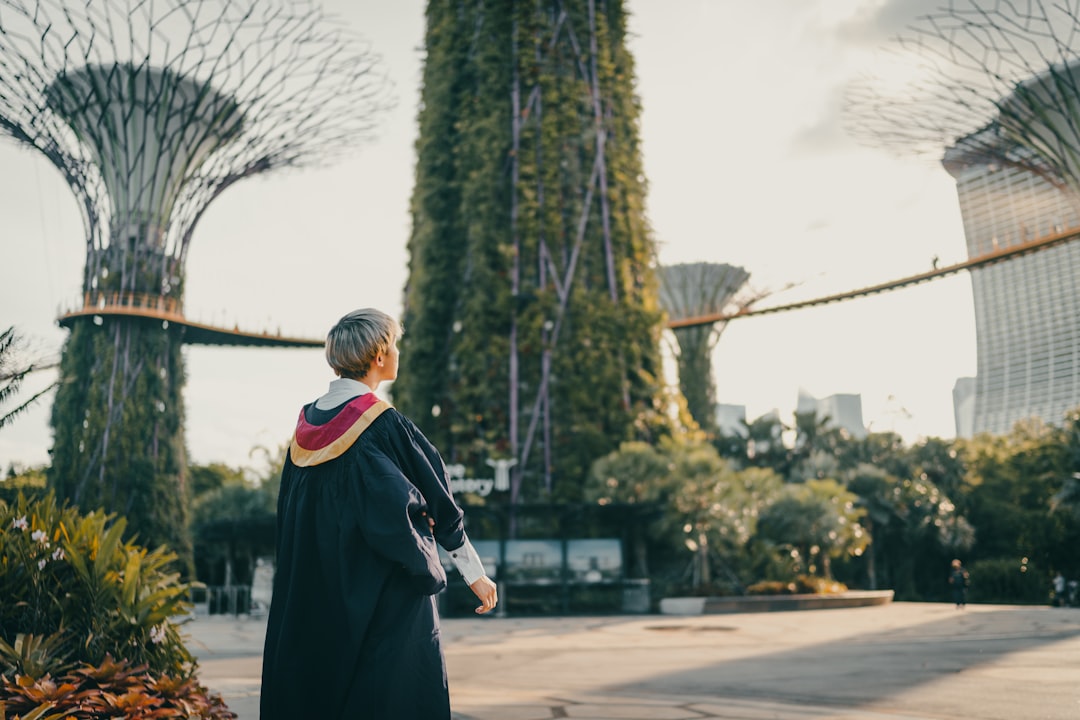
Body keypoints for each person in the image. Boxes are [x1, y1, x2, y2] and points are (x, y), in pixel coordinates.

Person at [260, 308, 498, 719]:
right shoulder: (384, 425)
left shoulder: (304, 429)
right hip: (382, 590)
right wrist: (474, 573)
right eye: (396, 344)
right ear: (380, 356)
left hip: (313, 586)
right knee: (390, 692)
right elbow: (439, 499)